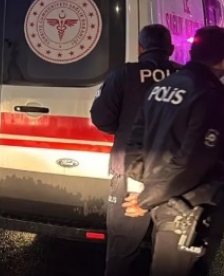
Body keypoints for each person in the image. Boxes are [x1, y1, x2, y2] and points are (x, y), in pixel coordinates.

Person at [123, 26, 224, 276]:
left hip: (161, 203)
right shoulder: (211, 95)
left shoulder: (163, 86)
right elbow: (192, 162)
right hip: (189, 209)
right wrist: (145, 200)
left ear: (191, 53)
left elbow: (135, 140)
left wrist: (144, 188)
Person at [90, 24, 178, 276]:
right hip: (174, 175)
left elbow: (101, 118)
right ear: (171, 49)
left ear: (140, 48)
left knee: (122, 250)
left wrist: (125, 128)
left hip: (131, 171)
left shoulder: (124, 75)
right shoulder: (184, 77)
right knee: (169, 255)